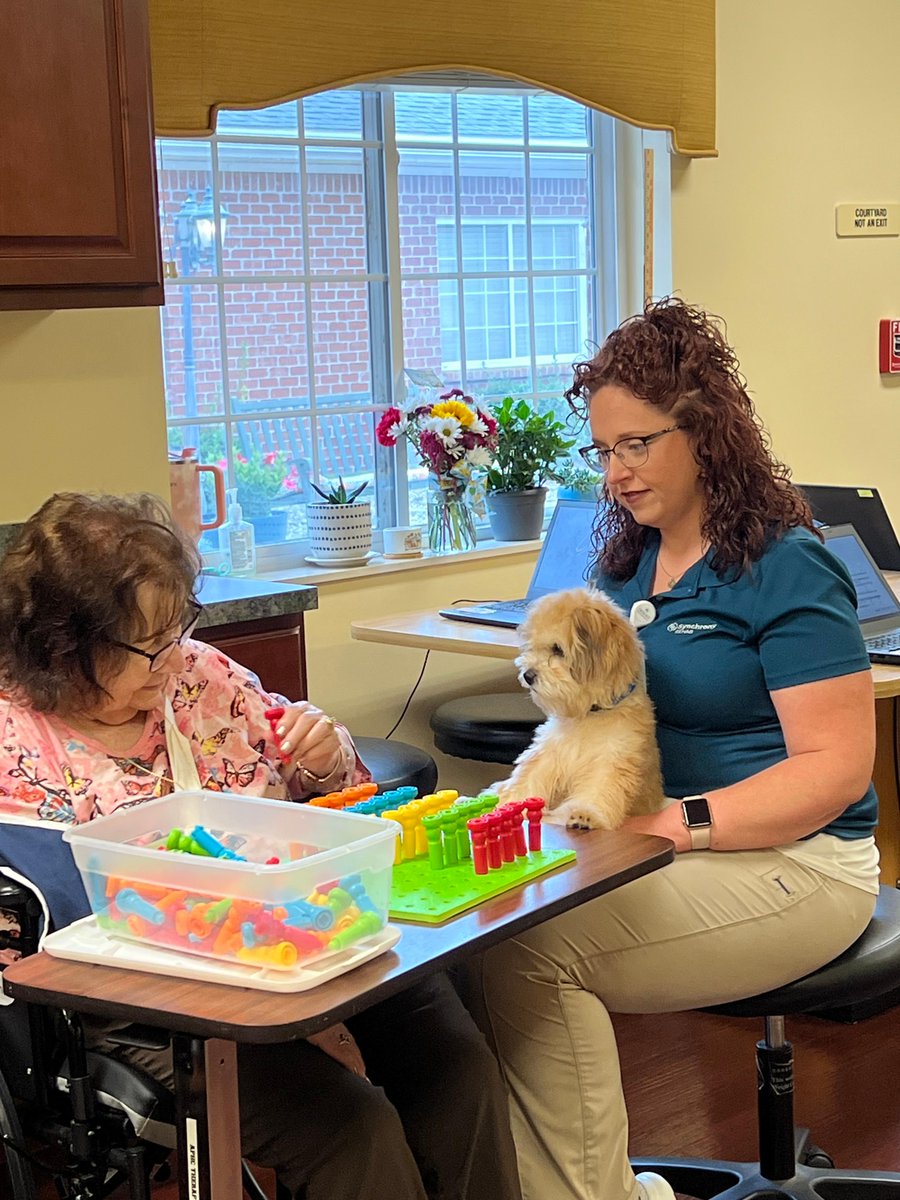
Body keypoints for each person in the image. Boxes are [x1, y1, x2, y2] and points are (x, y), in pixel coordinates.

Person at [0, 491, 522, 1200]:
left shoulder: (202, 679)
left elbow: (336, 800)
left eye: (176, 629)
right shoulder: (16, 744)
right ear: (62, 648)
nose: (170, 659)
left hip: (305, 936)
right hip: (149, 1005)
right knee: (350, 1129)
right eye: (147, 645)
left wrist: (323, 759)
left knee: (459, 1070)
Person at [480, 297, 880, 1200]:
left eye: (637, 444)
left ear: (703, 430)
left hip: (803, 862)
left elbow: (834, 771)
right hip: (663, 843)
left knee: (531, 953)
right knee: (489, 932)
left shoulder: (785, 565)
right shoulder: (624, 567)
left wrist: (675, 825)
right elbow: (583, 727)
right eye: (603, 451)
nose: (616, 473)